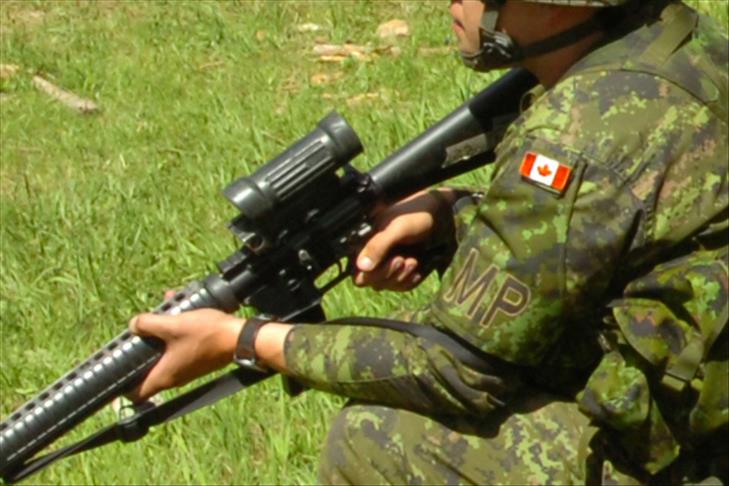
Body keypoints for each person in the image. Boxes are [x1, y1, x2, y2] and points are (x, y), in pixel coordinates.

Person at [128, 0, 728, 483]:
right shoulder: (677, 44)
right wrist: (450, 216)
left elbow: (460, 371)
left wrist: (244, 339)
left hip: (691, 461)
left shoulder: (577, 132)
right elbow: (620, 223)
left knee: (376, 438)